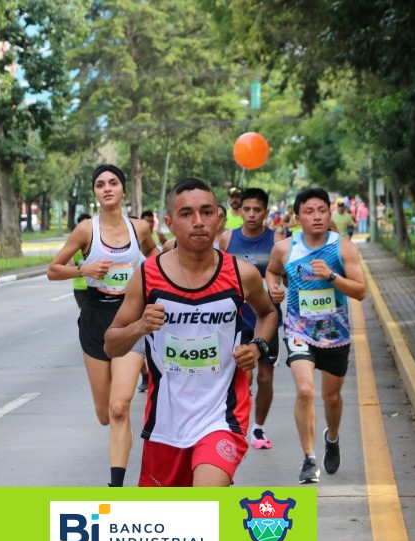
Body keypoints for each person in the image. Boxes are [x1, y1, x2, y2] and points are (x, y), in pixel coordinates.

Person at [104, 178, 278, 487]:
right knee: (174, 517)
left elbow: (268, 313)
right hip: (166, 423)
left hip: (222, 415)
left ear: (219, 219)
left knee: (203, 499)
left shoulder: (242, 274)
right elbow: (111, 345)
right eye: (186, 214)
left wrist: (257, 347)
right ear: (169, 223)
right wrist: (140, 326)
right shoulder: (148, 275)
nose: (198, 221)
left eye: (206, 212)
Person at [47, 164, 158, 488]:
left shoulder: (140, 228)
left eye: (113, 183)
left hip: (130, 318)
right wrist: (84, 269)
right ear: (95, 192)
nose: (107, 188)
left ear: (123, 189)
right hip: (95, 318)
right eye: (100, 184)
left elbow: (155, 257)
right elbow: (54, 269)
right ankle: (120, 441)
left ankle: (116, 486)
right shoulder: (86, 230)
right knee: (105, 413)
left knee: (120, 407)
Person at [266, 187, 366, 484]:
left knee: (331, 397)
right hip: (299, 330)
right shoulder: (284, 248)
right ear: (298, 217)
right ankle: (309, 459)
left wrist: (332, 276)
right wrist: (274, 288)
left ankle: (332, 437)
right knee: (306, 390)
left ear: (329, 213)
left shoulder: (343, 248)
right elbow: (272, 271)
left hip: (335, 333)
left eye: (322, 210)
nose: (317, 216)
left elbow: (360, 291)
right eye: (309, 212)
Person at [220, 188, 284, 451]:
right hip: (235, 319)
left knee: (265, 378)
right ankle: (238, 425)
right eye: (246, 209)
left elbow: (286, 275)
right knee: (243, 378)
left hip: (266, 317)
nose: (251, 214)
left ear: (266, 212)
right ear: (240, 210)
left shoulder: (277, 240)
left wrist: (278, 288)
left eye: (257, 210)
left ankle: (258, 426)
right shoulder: (227, 238)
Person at [71, 213, 92, 309]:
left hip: (96, 286)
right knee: (85, 313)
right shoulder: (74, 242)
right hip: (80, 287)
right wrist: (79, 267)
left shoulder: (98, 241)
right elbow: (69, 261)